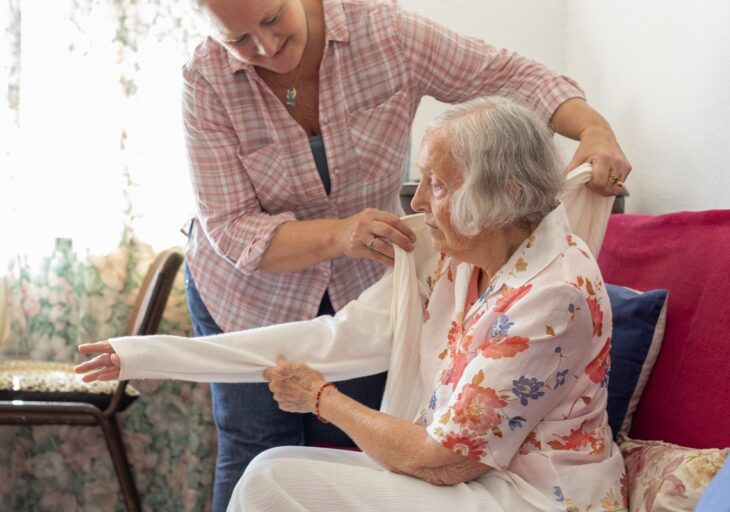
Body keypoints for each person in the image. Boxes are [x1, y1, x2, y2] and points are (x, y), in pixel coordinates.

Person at [77, 96, 628, 512]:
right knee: (270, 465)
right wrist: (142, 355)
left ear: (506, 194)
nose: (416, 201)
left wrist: (322, 400)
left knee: (271, 480)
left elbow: (444, 460)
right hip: (477, 476)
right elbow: (329, 339)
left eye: (437, 184)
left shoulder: (552, 294)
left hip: (532, 496)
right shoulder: (460, 254)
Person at [181, 0, 630, 508]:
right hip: (249, 290)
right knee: (254, 450)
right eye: (237, 40)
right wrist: (141, 355)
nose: (264, 47)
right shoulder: (457, 264)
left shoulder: (385, 33)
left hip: (515, 480)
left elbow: (509, 76)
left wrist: (594, 129)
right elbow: (232, 228)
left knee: (313, 461)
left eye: (271, 19)